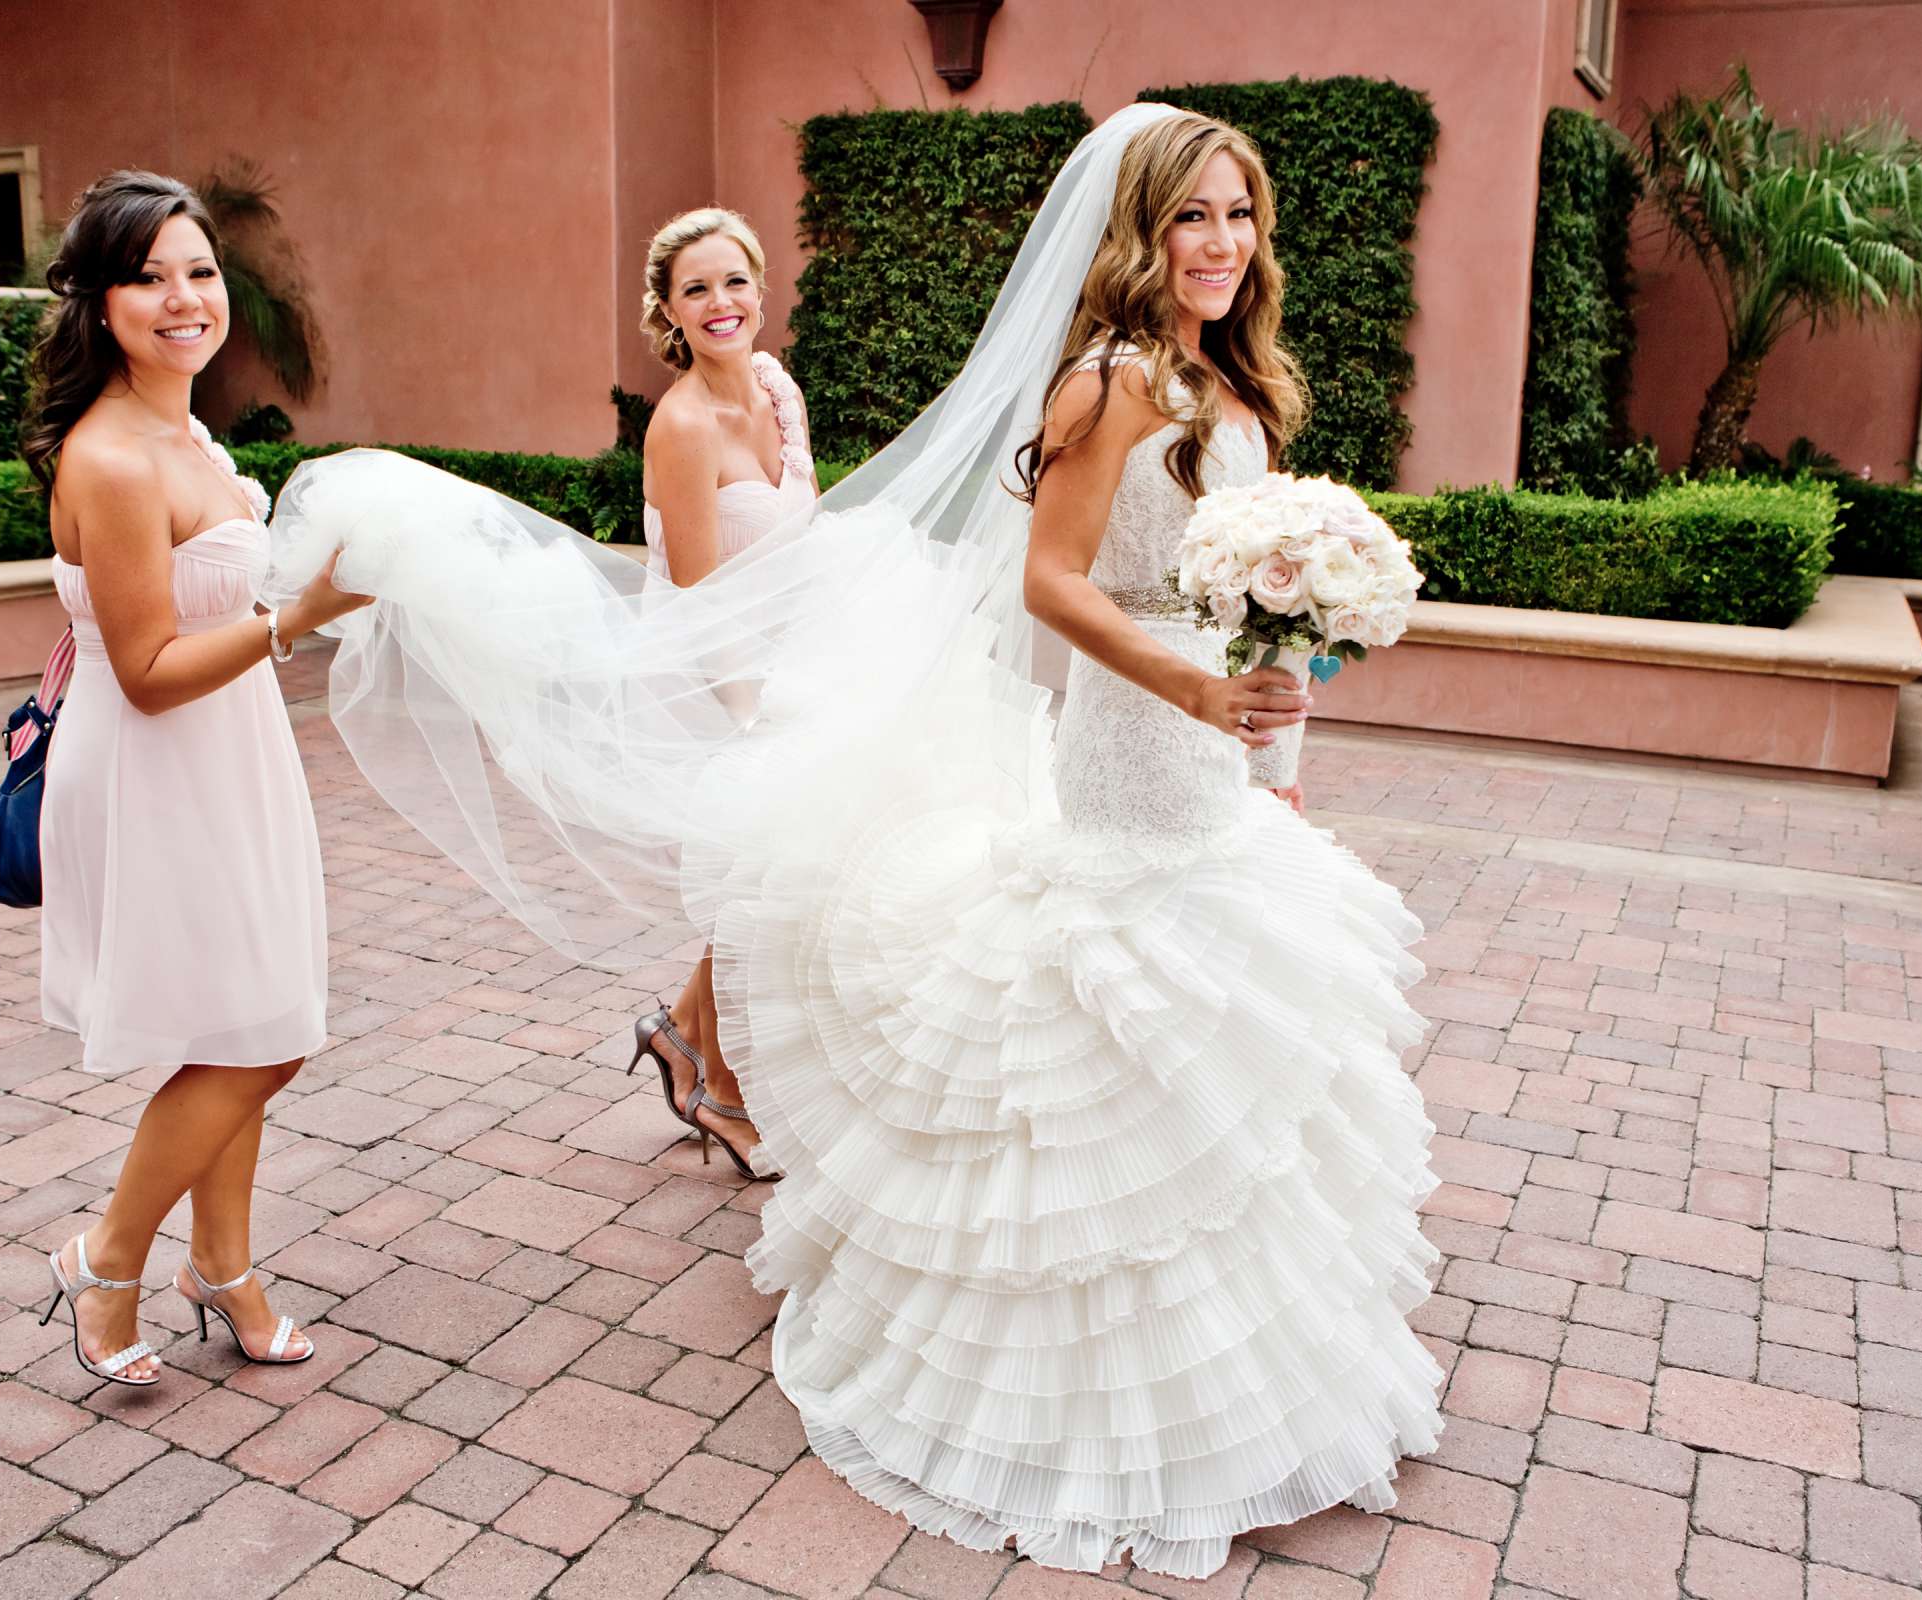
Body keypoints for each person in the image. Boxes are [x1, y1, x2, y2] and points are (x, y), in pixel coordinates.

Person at [277, 102, 1440, 1577]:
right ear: (1138, 231)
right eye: (1192, 217)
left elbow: (1235, 563)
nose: (1221, 244)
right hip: (1141, 730)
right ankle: (1067, 1363)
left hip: (1222, 723)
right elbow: (1056, 585)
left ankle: (1260, 1365)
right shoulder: (1107, 385)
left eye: (1240, 216)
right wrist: (1195, 683)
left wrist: (1285, 665)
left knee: (1233, 1003)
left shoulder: (1235, 375)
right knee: (1134, 996)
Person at [24, 171, 370, 1386]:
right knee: (256, 1042)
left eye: (200, 271)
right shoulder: (111, 458)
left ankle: (222, 1267)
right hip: (159, 760)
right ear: (100, 303)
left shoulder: (188, 431)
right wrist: (298, 618)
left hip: (236, 752)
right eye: (149, 276)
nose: (184, 298)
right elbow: (152, 668)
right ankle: (107, 1262)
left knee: (254, 1017)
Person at [631, 207, 813, 1180]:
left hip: (784, 664)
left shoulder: (779, 389)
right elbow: (699, 603)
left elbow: (804, 536)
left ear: (761, 284)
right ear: (669, 309)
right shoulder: (683, 424)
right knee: (765, 882)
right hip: (712, 681)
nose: (720, 303)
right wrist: (756, 720)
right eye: (695, 288)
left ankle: (680, 1038)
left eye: (733, 280)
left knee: (769, 879)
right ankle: (719, 1087)